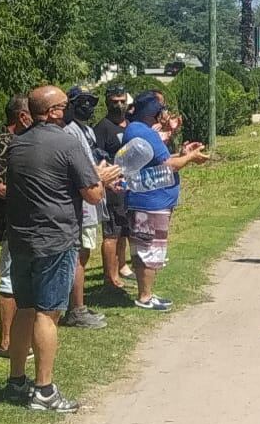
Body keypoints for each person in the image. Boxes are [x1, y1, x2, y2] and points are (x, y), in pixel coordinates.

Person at [4, 86, 122, 412]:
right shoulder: (67, 143)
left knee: (25, 308)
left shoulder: (17, 145)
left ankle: (16, 381)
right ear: (55, 111)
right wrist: (101, 177)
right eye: (65, 106)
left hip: (21, 240)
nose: (68, 111)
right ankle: (44, 390)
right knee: (47, 313)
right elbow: (94, 195)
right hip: (54, 240)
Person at [125, 91, 211, 311]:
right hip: (149, 201)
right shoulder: (142, 133)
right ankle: (145, 296)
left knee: (146, 246)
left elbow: (158, 161)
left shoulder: (140, 130)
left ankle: (147, 293)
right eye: (160, 108)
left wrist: (182, 154)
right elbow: (167, 167)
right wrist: (189, 158)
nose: (163, 112)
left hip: (150, 199)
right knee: (149, 248)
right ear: (153, 111)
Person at [0, 94, 33, 357]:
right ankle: (6, 343)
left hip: (27, 222)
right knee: (8, 278)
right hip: (9, 222)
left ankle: (19, 338)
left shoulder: (24, 141)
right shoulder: (2, 142)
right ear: (21, 116)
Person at [61, 87, 107, 329]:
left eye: (91, 102)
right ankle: (75, 309)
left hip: (94, 195)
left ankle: (79, 305)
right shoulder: (70, 132)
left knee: (86, 251)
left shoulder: (87, 129)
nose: (87, 106)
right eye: (81, 102)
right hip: (83, 199)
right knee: (81, 254)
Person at [92, 84, 133, 290]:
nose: (119, 105)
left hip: (130, 186)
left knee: (124, 230)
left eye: (122, 101)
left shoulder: (130, 125)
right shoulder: (102, 127)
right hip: (112, 188)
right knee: (111, 233)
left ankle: (122, 265)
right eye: (114, 102)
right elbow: (97, 157)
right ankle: (110, 277)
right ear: (107, 102)